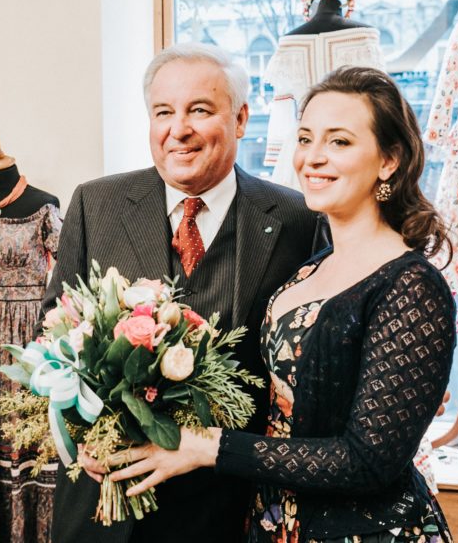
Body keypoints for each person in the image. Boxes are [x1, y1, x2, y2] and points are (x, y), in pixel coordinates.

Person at [106, 67, 456, 543]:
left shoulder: (412, 285)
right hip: (273, 521)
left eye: (340, 142)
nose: (313, 158)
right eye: (306, 138)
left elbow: (368, 460)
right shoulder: (312, 266)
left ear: (389, 160)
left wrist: (210, 446)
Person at [42, 42, 320, 542]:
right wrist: (78, 435)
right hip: (105, 507)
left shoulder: (298, 219)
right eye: (163, 112)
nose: (178, 130)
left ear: (239, 119)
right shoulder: (95, 204)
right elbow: (54, 337)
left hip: (227, 507)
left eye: (199, 110)